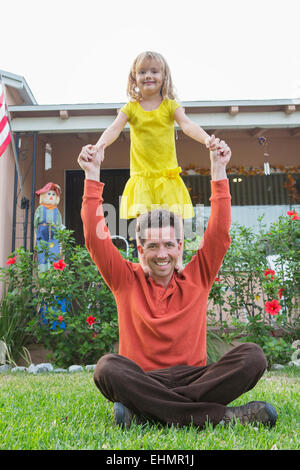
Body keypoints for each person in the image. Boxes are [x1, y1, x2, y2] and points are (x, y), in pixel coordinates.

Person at [78, 142, 278, 429]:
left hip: (195, 378)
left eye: (169, 244)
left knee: (252, 357)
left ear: (181, 246)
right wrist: (92, 173)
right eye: (154, 246)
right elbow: (94, 238)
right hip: (143, 378)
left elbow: (219, 234)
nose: (162, 254)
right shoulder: (124, 278)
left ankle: (146, 413)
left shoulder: (198, 275)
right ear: (139, 249)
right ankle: (223, 417)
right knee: (107, 368)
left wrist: (219, 170)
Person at [79, 51, 230, 268]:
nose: (148, 75)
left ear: (164, 76)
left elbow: (187, 125)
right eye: (142, 72)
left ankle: (177, 267)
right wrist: (100, 145)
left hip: (168, 178)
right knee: (143, 229)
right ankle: (147, 269)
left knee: (175, 226)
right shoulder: (131, 108)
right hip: (142, 180)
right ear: (134, 79)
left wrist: (207, 139)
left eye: (154, 71)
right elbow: (114, 128)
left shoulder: (170, 106)